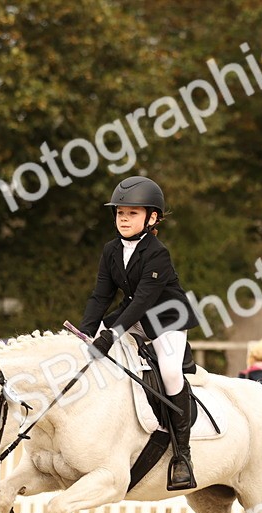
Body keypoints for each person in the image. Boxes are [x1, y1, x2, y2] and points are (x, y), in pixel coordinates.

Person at [78, 176, 200, 490]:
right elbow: (101, 296)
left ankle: (182, 455)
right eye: (120, 213)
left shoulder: (157, 252)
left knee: (171, 373)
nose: (124, 219)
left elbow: (146, 299)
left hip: (166, 317)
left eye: (132, 213)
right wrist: (86, 333)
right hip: (134, 314)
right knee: (96, 351)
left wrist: (111, 333)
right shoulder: (110, 250)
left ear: (152, 218)